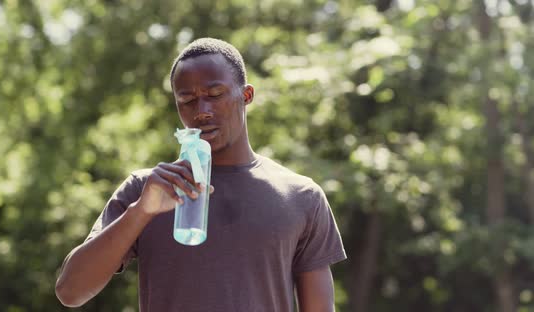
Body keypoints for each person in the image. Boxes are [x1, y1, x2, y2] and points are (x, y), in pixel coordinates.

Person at [55, 38, 347, 311]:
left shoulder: (301, 197)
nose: (202, 111)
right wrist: (140, 212)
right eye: (187, 100)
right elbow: (71, 292)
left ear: (246, 95)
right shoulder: (147, 189)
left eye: (215, 94)